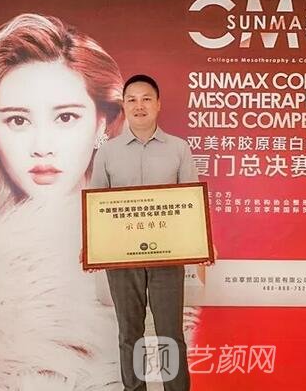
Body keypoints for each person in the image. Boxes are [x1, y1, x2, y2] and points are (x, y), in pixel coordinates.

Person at [0, 13, 125, 390]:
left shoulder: (145, 245)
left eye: (66, 117)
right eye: (18, 121)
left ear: (102, 123)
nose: (42, 146)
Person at [90, 74, 196, 391]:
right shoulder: (107, 152)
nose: (139, 105)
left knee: (170, 333)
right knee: (129, 333)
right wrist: (92, 244)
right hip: (121, 257)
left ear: (158, 104)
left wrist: (202, 242)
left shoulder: (178, 149)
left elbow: (191, 201)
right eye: (132, 99)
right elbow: (96, 205)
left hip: (168, 255)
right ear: (124, 105)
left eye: (146, 98)